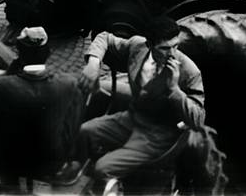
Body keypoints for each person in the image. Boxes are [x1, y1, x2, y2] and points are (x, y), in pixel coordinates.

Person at [79, 17, 205, 184]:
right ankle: (92, 166)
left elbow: (198, 120)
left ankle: (112, 183)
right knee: (85, 132)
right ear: (150, 45)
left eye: (175, 46)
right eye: (164, 48)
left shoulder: (189, 71)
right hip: (132, 118)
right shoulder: (138, 46)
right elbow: (105, 38)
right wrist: (93, 64)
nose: (172, 54)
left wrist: (174, 90)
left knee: (102, 169)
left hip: (158, 135)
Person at [0, 27, 85, 189]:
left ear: (20, 54)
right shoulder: (68, 85)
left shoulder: (2, 85)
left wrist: (10, 71)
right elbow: (73, 125)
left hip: (12, 163)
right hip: (52, 163)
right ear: (48, 53)